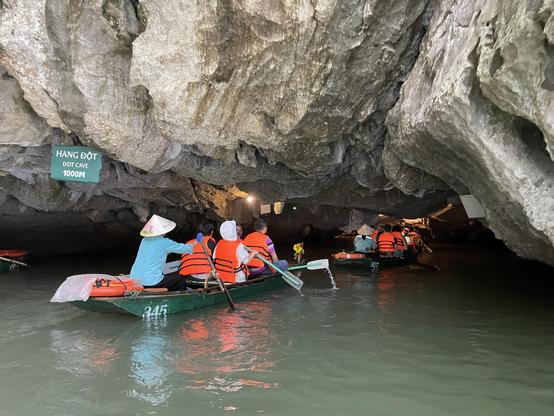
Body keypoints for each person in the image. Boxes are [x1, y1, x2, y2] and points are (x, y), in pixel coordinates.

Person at [130, 214, 203, 291]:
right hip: (151, 282)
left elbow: (156, 252)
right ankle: (181, 296)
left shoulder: (144, 240)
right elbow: (185, 248)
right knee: (180, 279)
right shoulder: (164, 242)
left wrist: (169, 250)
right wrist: (196, 241)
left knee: (165, 276)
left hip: (134, 280)